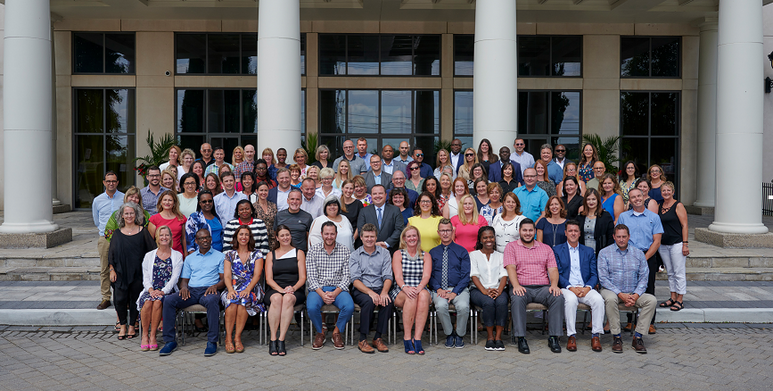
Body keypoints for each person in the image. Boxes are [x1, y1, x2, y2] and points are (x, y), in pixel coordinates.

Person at [160, 228, 225, 357]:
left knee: (212, 301)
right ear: (196, 241)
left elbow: (224, 279)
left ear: (211, 239)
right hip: (191, 291)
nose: (204, 240)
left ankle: (212, 341)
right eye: (201, 238)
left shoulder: (220, 256)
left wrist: (216, 286)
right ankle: (169, 341)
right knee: (169, 300)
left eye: (207, 237)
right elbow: (184, 280)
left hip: (209, 290)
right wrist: (184, 288)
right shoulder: (190, 258)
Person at [504, 218, 564, 354]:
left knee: (557, 296)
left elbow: (553, 269)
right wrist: (516, 286)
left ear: (535, 232)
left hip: (542, 287)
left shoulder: (545, 248)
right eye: (524, 230)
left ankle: (554, 337)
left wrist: (554, 285)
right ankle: (521, 338)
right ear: (519, 231)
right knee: (517, 298)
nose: (527, 233)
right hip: (522, 287)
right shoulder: (511, 247)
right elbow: (511, 268)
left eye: (531, 230)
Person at [598, 224, 657, 354]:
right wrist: (620, 294)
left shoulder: (639, 254)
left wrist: (635, 295)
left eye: (624, 236)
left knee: (651, 300)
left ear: (629, 237)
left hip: (632, 292)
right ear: (614, 237)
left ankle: (638, 337)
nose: (621, 239)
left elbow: (643, 277)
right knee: (610, 298)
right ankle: (617, 337)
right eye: (618, 236)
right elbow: (603, 278)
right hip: (612, 291)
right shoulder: (604, 253)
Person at [617, 188, 663, 334]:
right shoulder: (623, 217)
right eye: (633, 197)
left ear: (644, 197)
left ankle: (649, 322)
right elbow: (620, 237)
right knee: (630, 287)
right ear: (629, 201)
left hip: (647, 255)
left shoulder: (653, 217)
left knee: (648, 288)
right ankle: (631, 321)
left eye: (639, 196)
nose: (637, 199)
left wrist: (645, 258)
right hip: (628, 256)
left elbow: (657, 241)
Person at [554, 220, 604, 352]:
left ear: (580, 233)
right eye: (570, 231)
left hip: (585, 287)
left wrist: (588, 287)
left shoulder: (588, 251)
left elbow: (594, 274)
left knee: (598, 300)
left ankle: (595, 335)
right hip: (567, 288)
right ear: (565, 233)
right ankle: (571, 336)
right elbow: (557, 273)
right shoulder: (557, 250)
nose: (573, 233)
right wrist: (571, 287)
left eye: (576, 231)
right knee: (570, 300)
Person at [109, 203, 157, 340]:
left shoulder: (143, 231)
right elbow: (111, 253)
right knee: (120, 299)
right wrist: (111, 269)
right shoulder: (117, 233)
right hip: (120, 272)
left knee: (135, 299)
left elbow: (152, 252)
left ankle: (132, 326)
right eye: (126, 213)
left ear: (136, 215)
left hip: (138, 272)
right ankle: (122, 325)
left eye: (132, 213)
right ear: (122, 215)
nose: (129, 216)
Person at [307, 222, 355, 350]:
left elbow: (347, 277)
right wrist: (322, 294)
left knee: (349, 306)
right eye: (326, 234)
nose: (329, 236)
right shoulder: (313, 251)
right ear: (322, 234)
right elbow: (311, 277)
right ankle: (320, 332)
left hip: (338, 288)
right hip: (319, 289)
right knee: (311, 307)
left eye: (332, 234)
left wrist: (334, 293)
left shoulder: (345, 250)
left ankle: (336, 332)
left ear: (336, 234)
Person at [350, 223, 394, 353]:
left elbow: (387, 276)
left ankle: (378, 338)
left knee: (387, 302)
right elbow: (355, 280)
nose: (369, 239)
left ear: (376, 238)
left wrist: (384, 292)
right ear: (361, 238)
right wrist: (371, 293)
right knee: (369, 302)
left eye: (372, 236)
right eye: (366, 236)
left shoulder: (385, 253)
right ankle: (362, 339)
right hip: (361, 289)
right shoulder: (355, 255)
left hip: (380, 287)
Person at [137, 225, 183, 351]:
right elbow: (145, 276)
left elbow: (175, 278)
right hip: (151, 290)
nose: (164, 237)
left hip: (168, 291)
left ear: (171, 237)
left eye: (167, 235)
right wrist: (151, 290)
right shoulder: (149, 255)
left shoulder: (177, 255)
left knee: (158, 302)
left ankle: (153, 336)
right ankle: (144, 336)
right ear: (157, 237)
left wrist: (163, 291)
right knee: (147, 302)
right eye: (161, 235)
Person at [222, 225, 265, 354]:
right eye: (241, 234)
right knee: (231, 301)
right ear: (236, 237)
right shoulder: (229, 254)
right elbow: (227, 275)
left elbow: (257, 275)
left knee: (243, 301)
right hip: (233, 286)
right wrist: (230, 289)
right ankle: (228, 338)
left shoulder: (257, 254)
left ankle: (238, 338)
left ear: (250, 237)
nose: (243, 237)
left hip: (252, 287)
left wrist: (248, 289)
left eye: (246, 234)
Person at [264, 225, 307, 356]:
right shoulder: (271, 255)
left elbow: (303, 277)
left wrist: (292, 288)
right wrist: (280, 290)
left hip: (294, 290)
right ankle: (273, 339)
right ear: (277, 238)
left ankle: (281, 339)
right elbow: (269, 279)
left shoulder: (299, 253)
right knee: (277, 298)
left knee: (287, 299)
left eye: (287, 235)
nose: (285, 238)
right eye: (282, 235)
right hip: (275, 289)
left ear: (291, 236)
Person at [429, 218, 471, 348]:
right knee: (441, 306)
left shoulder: (461, 251)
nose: (445, 233)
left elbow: (465, 275)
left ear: (452, 231)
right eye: (442, 231)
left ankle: (459, 334)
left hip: (459, 288)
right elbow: (429, 275)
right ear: (438, 232)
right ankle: (449, 334)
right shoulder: (432, 252)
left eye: (448, 230)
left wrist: (454, 292)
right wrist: (438, 289)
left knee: (463, 306)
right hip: (439, 289)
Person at [389, 226, 431, 355]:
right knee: (411, 296)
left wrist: (419, 288)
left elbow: (426, 276)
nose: (412, 238)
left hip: (419, 288)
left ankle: (417, 338)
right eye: (409, 236)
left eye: (414, 235)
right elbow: (398, 277)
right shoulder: (398, 254)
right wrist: (405, 288)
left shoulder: (425, 255)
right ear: (404, 239)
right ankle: (407, 337)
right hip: (401, 290)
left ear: (417, 237)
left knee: (423, 295)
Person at [469, 226, 508, 351]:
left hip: (498, 288)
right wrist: (485, 291)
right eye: (485, 237)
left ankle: (498, 337)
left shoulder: (500, 255)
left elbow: (504, 276)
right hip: (478, 290)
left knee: (502, 302)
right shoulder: (474, 255)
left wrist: (499, 291)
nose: (488, 240)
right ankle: (490, 337)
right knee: (488, 302)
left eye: (491, 237)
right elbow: (474, 275)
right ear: (480, 239)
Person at [93, 171, 125, 310]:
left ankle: (123, 296)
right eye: (108, 181)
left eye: (114, 181)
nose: (111, 183)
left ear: (117, 182)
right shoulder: (97, 200)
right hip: (104, 238)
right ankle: (106, 297)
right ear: (104, 182)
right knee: (105, 268)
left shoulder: (124, 198)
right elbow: (96, 220)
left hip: (122, 237)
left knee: (122, 268)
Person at [656, 181, 689, 312]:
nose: (666, 193)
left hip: (677, 243)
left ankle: (680, 299)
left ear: (673, 192)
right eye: (664, 191)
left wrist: (685, 244)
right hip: (663, 245)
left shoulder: (678, 205)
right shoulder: (659, 206)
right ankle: (672, 297)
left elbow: (685, 225)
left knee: (678, 272)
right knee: (670, 272)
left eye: (668, 190)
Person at [357, 185, 404, 250]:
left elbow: (399, 229)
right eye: (375, 194)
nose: (378, 196)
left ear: (385, 195)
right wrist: (373, 244)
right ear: (371, 196)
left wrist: (386, 243)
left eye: (380, 193)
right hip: (370, 250)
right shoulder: (364, 211)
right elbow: (361, 231)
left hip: (390, 250)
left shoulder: (395, 210)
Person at [576, 188, 615, 257]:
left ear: (598, 200)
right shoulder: (580, 216)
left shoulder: (605, 216)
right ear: (585, 201)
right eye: (588, 199)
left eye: (593, 199)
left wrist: (607, 253)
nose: (591, 202)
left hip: (601, 254)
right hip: (582, 254)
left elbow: (610, 237)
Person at [149, 190, 187, 256]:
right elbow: (150, 242)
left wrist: (186, 255)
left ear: (174, 203)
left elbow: (184, 239)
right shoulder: (154, 219)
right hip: (160, 255)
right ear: (161, 202)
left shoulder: (181, 218)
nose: (167, 202)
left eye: (170, 200)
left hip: (178, 254)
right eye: (165, 200)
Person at [254, 181, 278, 250]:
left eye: (265, 190)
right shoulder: (253, 207)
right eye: (261, 190)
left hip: (273, 241)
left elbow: (276, 223)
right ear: (257, 191)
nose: (263, 193)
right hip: (259, 240)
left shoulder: (273, 206)